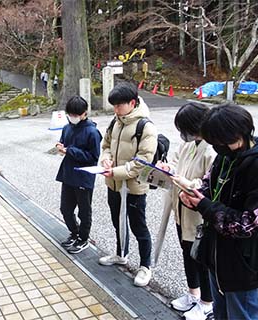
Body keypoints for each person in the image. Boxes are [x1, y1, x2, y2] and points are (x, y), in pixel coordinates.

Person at [179, 103, 258, 320]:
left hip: (243, 262)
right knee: (221, 313)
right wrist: (192, 197)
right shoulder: (225, 156)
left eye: (218, 142)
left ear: (238, 135)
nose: (215, 147)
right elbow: (207, 186)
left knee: (241, 314)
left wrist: (204, 205)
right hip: (216, 253)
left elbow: (251, 224)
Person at [157, 103, 216, 320]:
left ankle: (207, 303)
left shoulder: (211, 149)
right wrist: (168, 169)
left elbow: (209, 183)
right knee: (187, 254)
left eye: (185, 129)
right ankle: (193, 294)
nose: (183, 134)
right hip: (181, 210)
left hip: (197, 215)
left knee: (201, 258)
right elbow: (175, 162)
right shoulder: (189, 145)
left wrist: (188, 183)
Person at [98, 82, 158, 287]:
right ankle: (121, 254)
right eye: (113, 106)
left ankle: (145, 267)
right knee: (118, 221)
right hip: (113, 183)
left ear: (132, 103)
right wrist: (106, 159)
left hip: (134, 187)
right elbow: (105, 145)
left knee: (138, 226)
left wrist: (115, 171)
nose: (115, 110)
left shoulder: (145, 127)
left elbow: (142, 162)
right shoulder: (115, 122)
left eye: (119, 105)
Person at [55, 96, 102, 254]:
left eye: (75, 115)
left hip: (84, 176)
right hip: (68, 174)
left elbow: (93, 157)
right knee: (65, 209)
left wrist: (70, 151)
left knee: (84, 211)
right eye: (70, 114)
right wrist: (61, 146)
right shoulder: (67, 128)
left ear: (84, 114)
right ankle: (74, 233)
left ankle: (83, 238)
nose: (72, 118)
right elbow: (64, 142)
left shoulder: (92, 132)